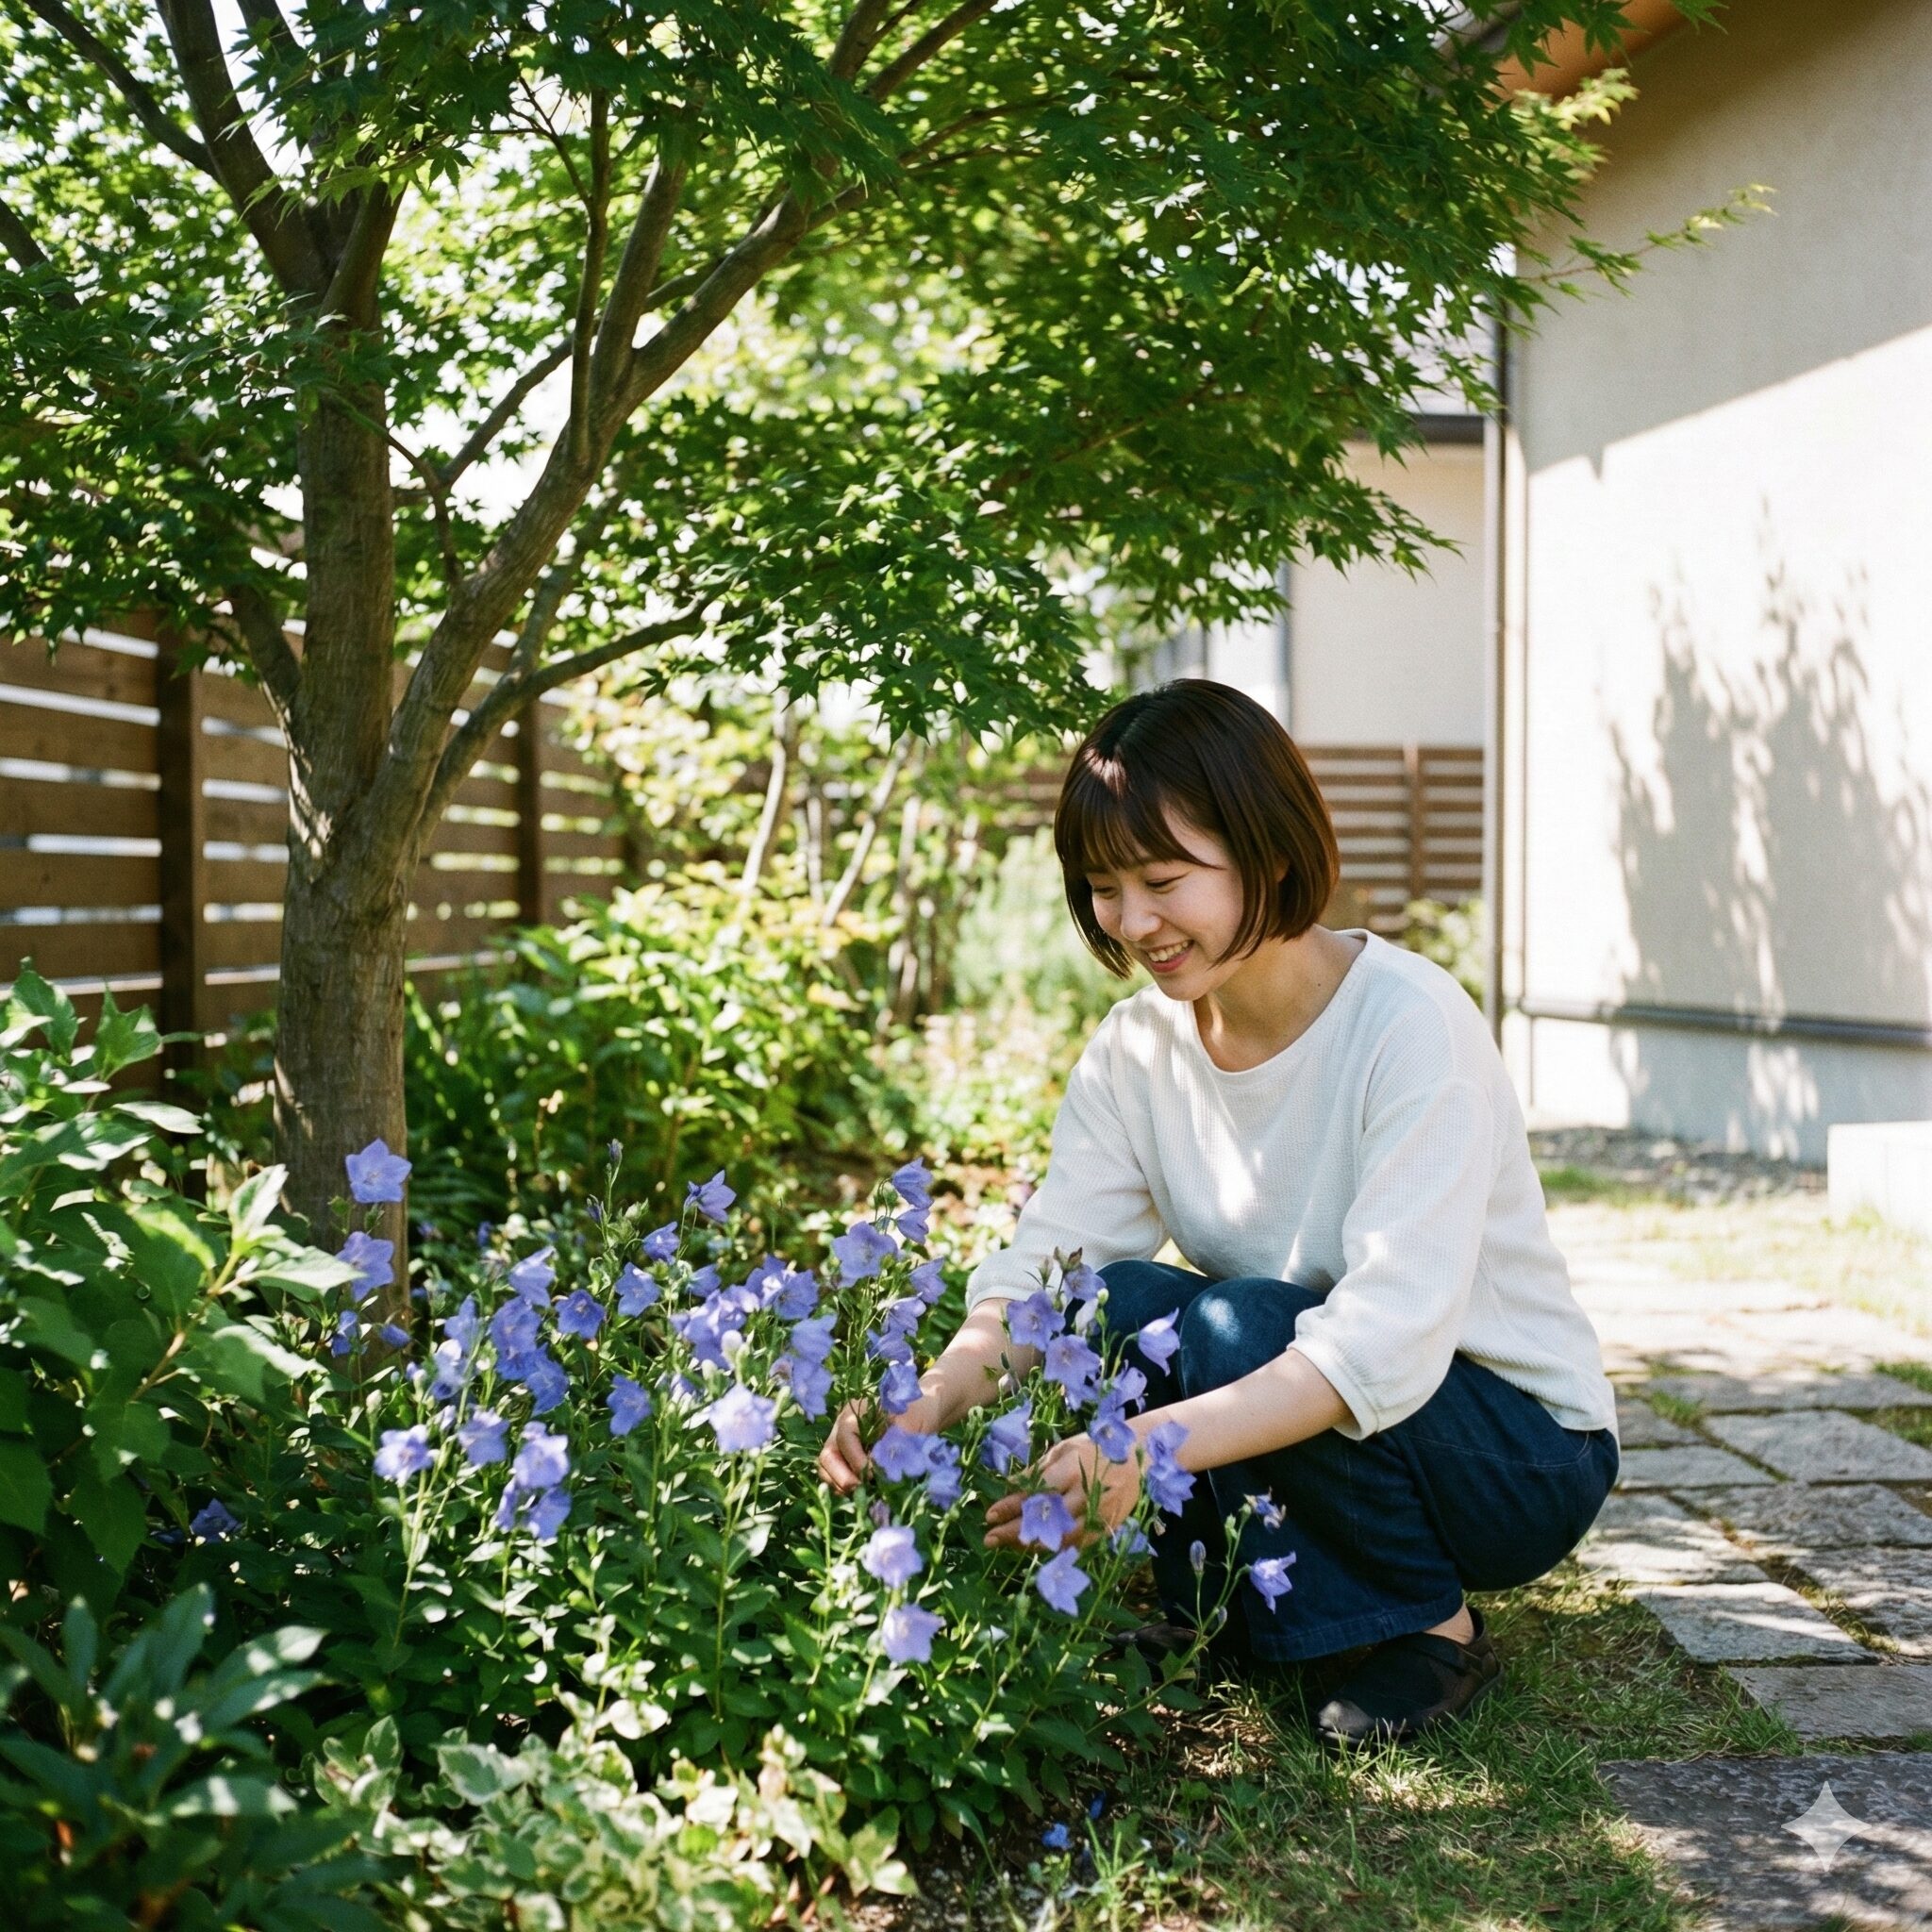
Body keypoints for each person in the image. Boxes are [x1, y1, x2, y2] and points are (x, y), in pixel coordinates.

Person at [818, 679, 1619, 1746]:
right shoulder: (1139, 1047)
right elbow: (1047, 1275)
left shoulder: (1409, 1026)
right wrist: (923, 1404)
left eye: (1163, 878)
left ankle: (1435, 1625)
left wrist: (1139, 1447)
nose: (1132, 920)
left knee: (1234, 1324)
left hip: (1513, 1450)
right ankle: (1245, 1609)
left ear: (1268, 853)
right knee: (1124, 1300)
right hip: (1347, 1394)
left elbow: (1379, 1342)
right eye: (1103, 886)